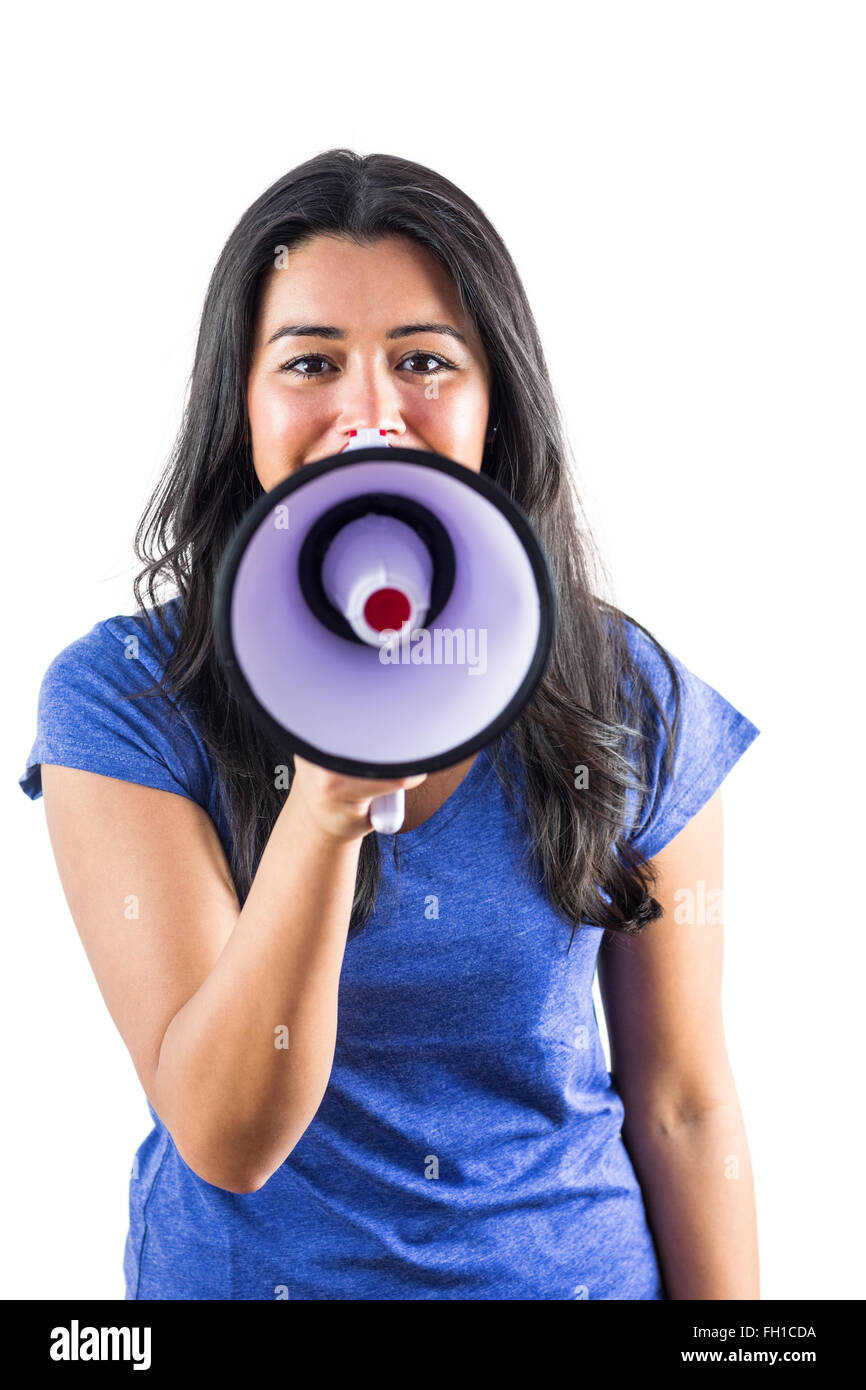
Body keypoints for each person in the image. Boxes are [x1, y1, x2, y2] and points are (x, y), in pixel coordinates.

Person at [19, 149, 761, 1301]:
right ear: (243, 404)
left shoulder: (624, 691)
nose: (369, 412)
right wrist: (326, 803)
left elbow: (681, 1100)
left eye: (422, 361)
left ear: (490, 402)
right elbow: (226, 1132)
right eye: (311, 362)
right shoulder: (125, 698)